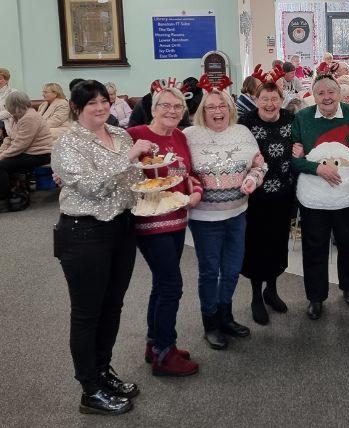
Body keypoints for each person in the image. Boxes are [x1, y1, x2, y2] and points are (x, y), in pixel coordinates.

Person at [51, 80, 153, 415]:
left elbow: (133, 179)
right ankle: (89, 390)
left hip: (122, 228)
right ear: (77, 107)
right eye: (91, 102)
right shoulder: (68, 142)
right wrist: (129, 158)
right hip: (84, 233)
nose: (100, 107)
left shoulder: (120, 134)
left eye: (104, 100)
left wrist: (157, 174)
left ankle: (103, 371)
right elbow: (92, 187)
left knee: (112, 307)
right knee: (86, 313)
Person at [184, 85, 267, 350]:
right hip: (205, 219)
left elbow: (259, 164)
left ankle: (226, 316)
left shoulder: (242, 133)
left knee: (231, 270)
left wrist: (254, 179)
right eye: (211, 107)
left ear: (230, 109)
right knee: (210, 272)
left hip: (237, 214)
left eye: (222, 106)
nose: (217, 111)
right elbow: (180, 172)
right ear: (202, 111)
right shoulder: (189, 135)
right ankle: (210, 323)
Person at [127, 87, 203, 376]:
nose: (172, 111)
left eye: (178, 107)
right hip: (150, 222)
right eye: (166, 106)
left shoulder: (180, 135)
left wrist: (196, 192)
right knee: (172, 285)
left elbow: (187, 174)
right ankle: (165, 353)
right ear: (154, 107)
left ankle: (154, 343)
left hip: (177, 216)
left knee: (161, 283)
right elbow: (119, 169)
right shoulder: (134, 135)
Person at [291, 75, 349, 320]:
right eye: (320, 93)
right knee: (314, 248)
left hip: (346, 195)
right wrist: (317, 168)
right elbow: (293, 158)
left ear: (339, 93)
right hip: (313, 197)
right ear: (313, 96)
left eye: (331, 92)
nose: (326, 97)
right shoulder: (302, 118)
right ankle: (315, 297)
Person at [238, 81, 295, 324]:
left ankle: (271, 290)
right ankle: (255, 297)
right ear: (257, 100)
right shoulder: (246, 123)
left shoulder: (291, 119)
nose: (270, 104)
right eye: (265, 99)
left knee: (278, 243)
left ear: (281, 99)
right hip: (256, 197)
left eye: (274, 99)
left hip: (283, 195)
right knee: (256, 245)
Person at [0, 92, 53, 212]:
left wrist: (2, 156)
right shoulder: (17, 116)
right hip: (27, 152)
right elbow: (10, 138)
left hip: (40, 154)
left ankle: (4, 199)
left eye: (6, 105)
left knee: (1, 166)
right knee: (4, 162)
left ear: (13, 105)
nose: (6, 107)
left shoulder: (30, 117)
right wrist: (1, 151)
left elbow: (20, 145)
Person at [0, 67, 18, 134]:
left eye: (0, 79)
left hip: (8, 122)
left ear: (7, 80)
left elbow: (11, 111)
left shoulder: (13, 92)